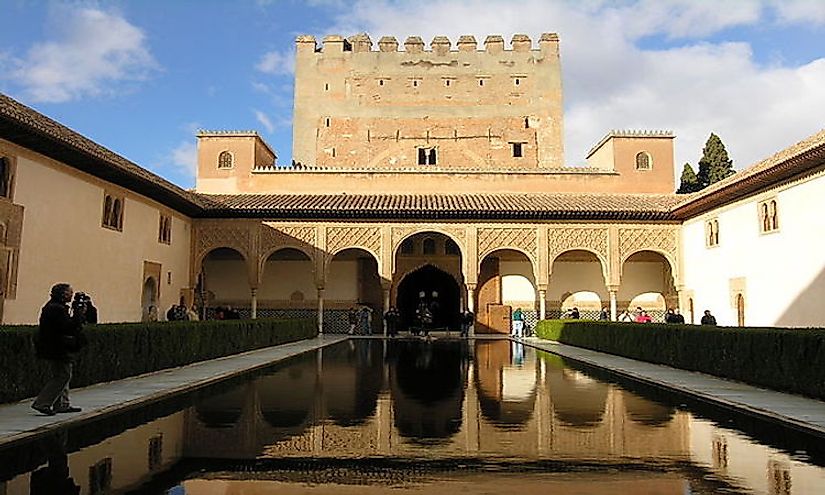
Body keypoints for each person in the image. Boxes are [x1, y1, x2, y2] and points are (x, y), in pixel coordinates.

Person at [32, 283, 87, 416]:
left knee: (64, 375)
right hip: (57, 347)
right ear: (62, 294)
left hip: (57, 347)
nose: (71, 295)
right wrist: (78, 314)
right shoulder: (56, 309)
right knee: (62, 376)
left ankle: (62, 404)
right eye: (69, 293)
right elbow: (68, 327)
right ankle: (42, 403)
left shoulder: (55, 307)